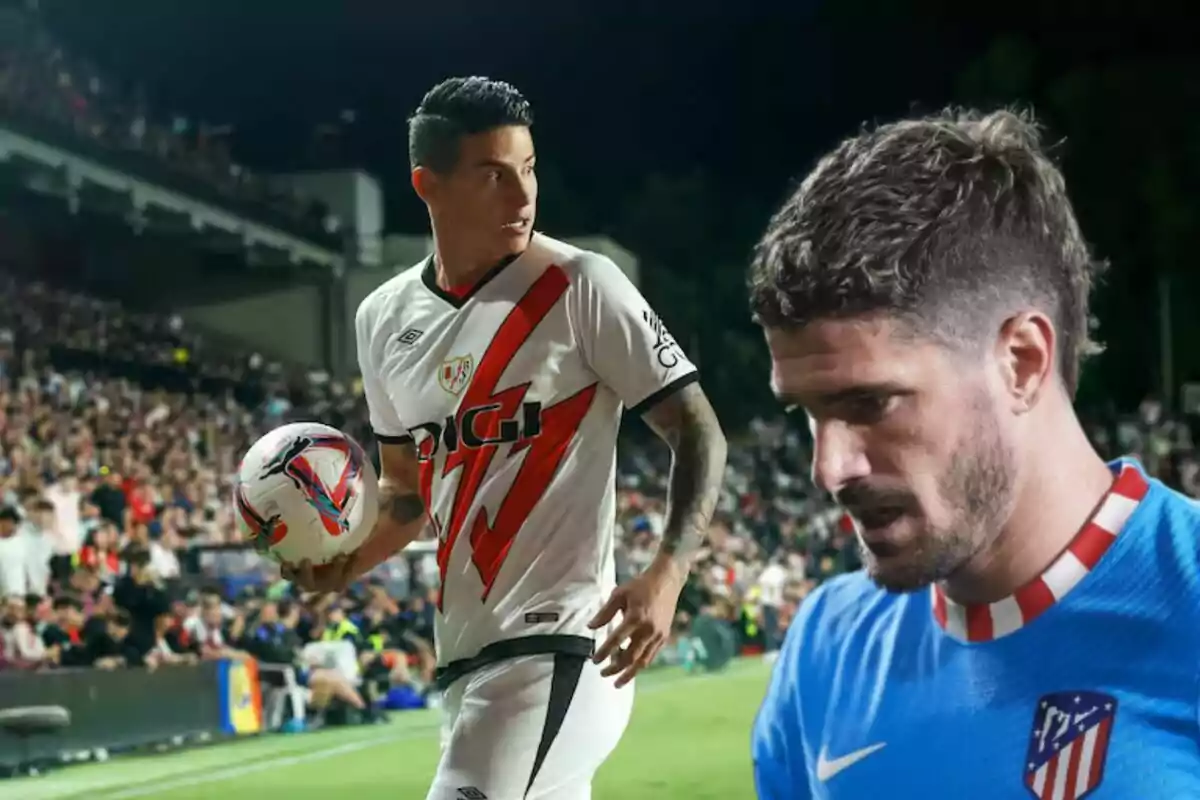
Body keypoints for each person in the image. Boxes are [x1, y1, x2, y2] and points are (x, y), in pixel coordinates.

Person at [283, 76, 727, 799]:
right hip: (465, 660)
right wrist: (346, 561)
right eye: (493, 175)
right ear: (428, 184)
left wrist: (666, 577)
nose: (523, 197)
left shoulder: (582, 283)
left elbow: (700, 430)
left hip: (561, 647)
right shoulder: (382, 319)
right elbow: (406, 493)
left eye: (528, 170)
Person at [747, 108, 1200, 798]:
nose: (829, 469)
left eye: (871, 404)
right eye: (809, 414)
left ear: (1021, 361)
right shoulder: (824, 651)